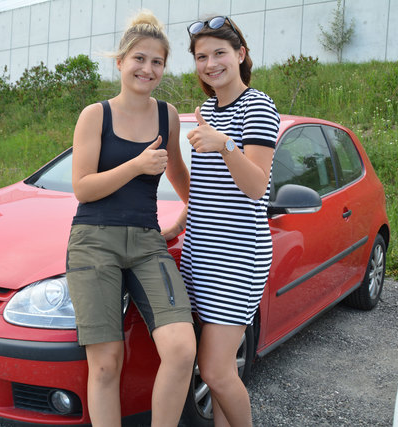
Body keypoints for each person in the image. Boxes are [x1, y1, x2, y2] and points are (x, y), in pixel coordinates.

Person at [66, 10, 196, 427]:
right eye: (139, 59)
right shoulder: (95, 115)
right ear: (120, 62)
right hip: (93, 240)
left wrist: (191, 214)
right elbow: (83, 188)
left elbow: (177, 172)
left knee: (181, 348)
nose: (148, 68)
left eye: (157, 61)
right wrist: (137, 165)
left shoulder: (167, 116)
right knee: (106, 363)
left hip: (145, 241)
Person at [163, 15, 280, 427]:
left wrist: (224, 142)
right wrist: (179, 226)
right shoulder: (208, 109)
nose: (210, 63)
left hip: (238, 257)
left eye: (219, 53)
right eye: (201, 57)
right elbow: (210, 190)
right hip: (201, 252)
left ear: (240, 55)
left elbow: (255, 186)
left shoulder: (258, 105)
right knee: (218, 373)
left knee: (215, 371)